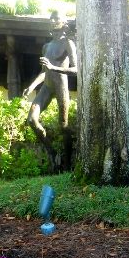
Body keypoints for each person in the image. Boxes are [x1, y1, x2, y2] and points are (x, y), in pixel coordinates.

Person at [23, 12, 77, 170]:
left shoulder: (68, 43)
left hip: (61, 87)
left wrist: (54, 67)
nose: (53, 21)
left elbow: (77, 69)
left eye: (57, 18)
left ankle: (67, 165)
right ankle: (52, 154)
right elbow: (44, 72)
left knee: (64, 126)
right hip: (47, 87)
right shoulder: (46, 46)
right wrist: (32, 86)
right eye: (51, 18)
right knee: (32, 120)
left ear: (63, 21)